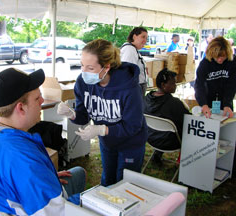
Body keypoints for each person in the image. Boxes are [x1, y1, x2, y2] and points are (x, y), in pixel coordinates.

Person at [0, 68, 86, 216]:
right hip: (35, 208)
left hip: (8, 204)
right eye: (37, 98)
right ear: (21, 108)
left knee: (78, 173)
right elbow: (56, 213)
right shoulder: (24, 159)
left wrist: (45, 178)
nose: (42, 101)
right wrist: (87, 203)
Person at [57, 39, 148, 187]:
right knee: (107, 180)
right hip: (108, 142)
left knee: (125, 185)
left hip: (131, 143)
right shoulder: (82, 83)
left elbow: (133, 126)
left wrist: (102, 129)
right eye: (82, 65)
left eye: (90, 68)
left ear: (106, 67)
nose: (84, 72)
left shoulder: (129, 88)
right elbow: (83, 115)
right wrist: (71, 114)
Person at [144, 69, 190, 164]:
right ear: (163, 85)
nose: (175, 86)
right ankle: (184, 164)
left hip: (151, 138)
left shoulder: (146, 99)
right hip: (170, 142)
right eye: (173, 83)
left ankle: (157, 154)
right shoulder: (174, 104)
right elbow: (188, 120)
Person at [194, 36, 236, 119]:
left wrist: (227, 104)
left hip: (225, 101)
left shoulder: (232, 63)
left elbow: (232, 85)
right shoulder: (204, 64)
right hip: (208, 100)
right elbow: (199, 85)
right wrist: (203, 104)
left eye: (223, 56)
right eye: (217, 57)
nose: (220, 59)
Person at [120, 27, 148, 96]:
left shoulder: (133, 49)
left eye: (146, 38)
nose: (145, 40)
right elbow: (128, 72)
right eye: (143, 37)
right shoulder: (130, 50)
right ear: (134, 36)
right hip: (134, 89)